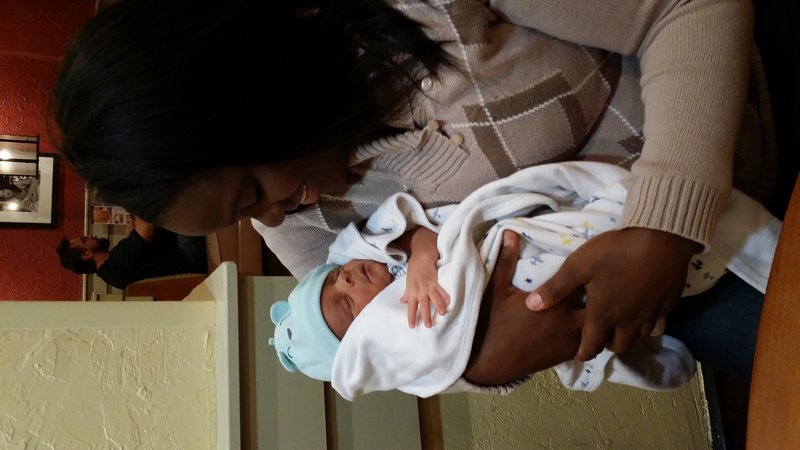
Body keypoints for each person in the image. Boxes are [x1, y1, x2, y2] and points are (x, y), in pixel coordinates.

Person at [51, 0, 769, 382]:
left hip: (750, 137)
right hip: (677, 298)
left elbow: (684, 8)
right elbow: (397, 350)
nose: (271, 218)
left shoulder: (423, 13)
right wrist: (482, 360)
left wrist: (665, 225)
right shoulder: (302, 235)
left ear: (255, 95)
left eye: (252, 191)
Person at [270, 162, 780, 400]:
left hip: (582, 228)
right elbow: (442, 362)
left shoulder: (375, 254)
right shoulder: (396, 335)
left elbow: (414, 230)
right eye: (347, 305)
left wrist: (423, 258)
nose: (347, 280)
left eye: (334, 280)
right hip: (554, 311)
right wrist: (483, 358)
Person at [56, 215, 207, 290]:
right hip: (187, 256)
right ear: (86, 254)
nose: (89, 235)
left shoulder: (109, 271)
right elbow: (146, 228)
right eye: (85, 239)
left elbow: (129, 236)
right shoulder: (117, 262)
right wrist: (137, 203)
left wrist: (133, 217)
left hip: (183, 261)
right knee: (185, 205)